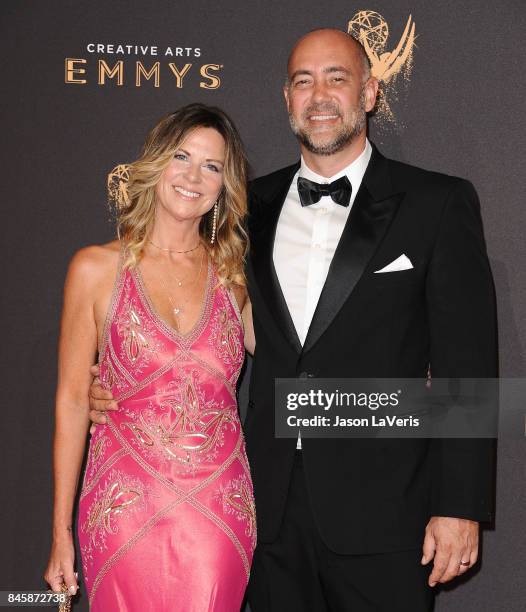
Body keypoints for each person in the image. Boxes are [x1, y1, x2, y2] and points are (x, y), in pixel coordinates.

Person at [88, 30, 497, 611]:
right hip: (264, 507)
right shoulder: (240, 207)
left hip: (386, 512)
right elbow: (179, 305)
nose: (320, 95)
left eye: (337, 77)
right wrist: (112, 386)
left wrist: (459, 505)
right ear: (286, 98)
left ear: (371, 92)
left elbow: (468, 364)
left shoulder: (436, 203)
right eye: (304, 81)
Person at [44, 103, 256, 611]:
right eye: (182, 156)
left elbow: (307, 350)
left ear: (224, 185)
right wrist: (60, 531)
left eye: (211, 166)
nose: (193, 176)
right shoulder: (95, 269)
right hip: (123, 510)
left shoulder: (237, 277)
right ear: (156, 162)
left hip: (217, 512)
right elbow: (74, 401)